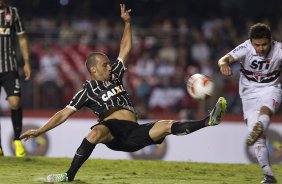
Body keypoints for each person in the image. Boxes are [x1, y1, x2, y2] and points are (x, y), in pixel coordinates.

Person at [20, 4, 227, 182]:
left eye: (109, 64)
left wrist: (127, 23)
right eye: (105, 64)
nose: (110, 66)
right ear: (93, 70)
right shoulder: (87, 90)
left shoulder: (116, 74)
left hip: (133, 131)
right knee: (95, 132)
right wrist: (39, 131)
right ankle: (68, 176)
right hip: (112, 131)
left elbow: (125, 49)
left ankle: (208, 121)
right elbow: (63, 113)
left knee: (167, 126)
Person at [218, 22, 281, 183]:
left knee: (265, 111)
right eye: (257, 45)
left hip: (271, 88)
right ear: (251, 42)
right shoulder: (245, 47)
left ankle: (261, 125)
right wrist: (224, 64)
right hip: (248, 94)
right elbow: (223, 59)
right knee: (259, 138)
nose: (260, 48)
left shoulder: (279, 50)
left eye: (264, 44)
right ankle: (268, 175)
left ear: (271, 41)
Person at [0, 0, 31, 157]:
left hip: (9, 67)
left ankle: (17, 139)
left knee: (15, 101)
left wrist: (26, 62)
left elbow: (22, 38)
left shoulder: (12, 13)